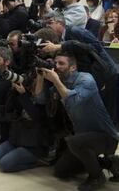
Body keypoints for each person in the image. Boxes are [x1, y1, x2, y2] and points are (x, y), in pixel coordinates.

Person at [36, 52, 119, 191]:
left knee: (74, 141)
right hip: (83, 137)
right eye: (55, 63)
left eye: (61, 63)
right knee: (61, 171)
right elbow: (40, 100)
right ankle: (109, 163)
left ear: (73, 67)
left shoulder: (86, 80)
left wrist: (56, 81)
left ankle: (96, 176)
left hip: (105, 136)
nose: (56, 66)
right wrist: (39, 76)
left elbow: (74, 102)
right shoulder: (60, 83)